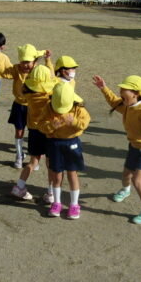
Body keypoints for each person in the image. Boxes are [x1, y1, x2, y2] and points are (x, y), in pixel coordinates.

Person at [92, 74, 141, 225]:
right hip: (134, 147)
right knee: (126, 174)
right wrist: (103, 88)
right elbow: (113, 101)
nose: (120, 92)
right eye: (121, 89)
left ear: (136, 93)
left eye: (124, 89)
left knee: (137, 181)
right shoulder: (126, 105)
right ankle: (125, 190)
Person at [39, 82, 90, 219]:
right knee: (56, 175)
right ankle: (56, 203)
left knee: (72, 174)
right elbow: (41, 125)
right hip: (55, 144)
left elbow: (84, 123)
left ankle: (74, 205)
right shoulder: (48, 107)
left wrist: (74, 122)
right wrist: (51, 125)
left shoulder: (78, 108)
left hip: (72, 143)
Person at [10, 64, 56, 201]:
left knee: (33, 162)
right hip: (48, 131)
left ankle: (19, 186)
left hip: (34, 131)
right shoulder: (49, 95)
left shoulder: (28, 93)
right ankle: (51, 193)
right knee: (50, 164)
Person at [1, 44, 52, 168]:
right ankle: (19, 155)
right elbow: (4, 73)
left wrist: (48, 60)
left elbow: (51, 75)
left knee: (34, 133)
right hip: (19, 105)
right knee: (19, 131)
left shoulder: (39, 71)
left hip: (34, 107)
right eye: (22, 62)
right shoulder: (16, 69)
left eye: (27, 62)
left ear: (34, 61)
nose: (24, 65)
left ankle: (34, 159)